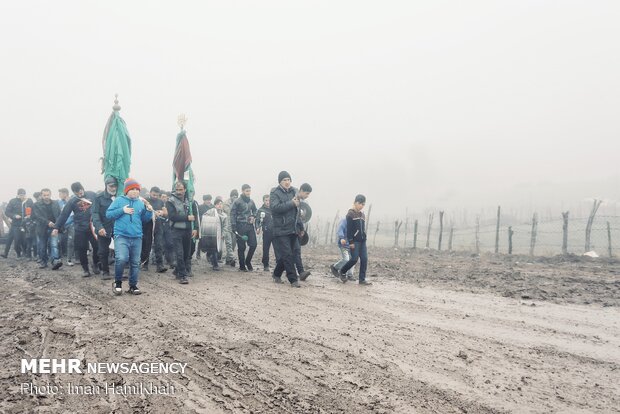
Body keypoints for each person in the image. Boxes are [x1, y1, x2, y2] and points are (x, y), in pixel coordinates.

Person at [106, 178, 153, 295]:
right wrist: (122, 210)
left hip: (137, 236)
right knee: (121, 259)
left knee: (135, 262)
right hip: (121, 235)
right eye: (132, 189)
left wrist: (148, 211)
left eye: (137, 189)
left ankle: (133, 285)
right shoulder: (119, 200)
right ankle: (118, 283)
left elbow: (144, 220)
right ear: (126, 190)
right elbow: (108, 214)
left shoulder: (140, 203)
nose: (135, 192)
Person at [53, 182, 100, 277]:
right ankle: (85, 269)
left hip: (92, 227)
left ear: (83, 188)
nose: (80, 194)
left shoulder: (92, 194)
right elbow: (64, 215)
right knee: (81, 248)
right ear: (74, 193)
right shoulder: (72, 201)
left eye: (81, 192)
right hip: (80, 228)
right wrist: (56, 227)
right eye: (77, 193)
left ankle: (95, 264)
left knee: (97, 246)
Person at [270, 171, 301, 288]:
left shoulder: (294, 191)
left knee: (289, 254)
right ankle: (293, 279)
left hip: (293, 228)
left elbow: (298, 210)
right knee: (287, 254)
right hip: (280, 229)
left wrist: (300, 226)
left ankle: (276, 274)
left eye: (289, 179)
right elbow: (275, 207)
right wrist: (291, 203)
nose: (287, 182)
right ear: (280, 182)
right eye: (284, 180)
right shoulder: (275, 193)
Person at [166, 181, 197, 284]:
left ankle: (177, 270)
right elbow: (172, 216)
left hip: (188, 230)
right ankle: (183, 276)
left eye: (181, 189)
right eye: (177, 189)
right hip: (176, 230)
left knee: (186, 254)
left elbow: (195, 216)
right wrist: (187, 218)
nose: (179, 192)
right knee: (179, 253)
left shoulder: (191, 201)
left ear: (185, 189)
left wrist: (195, 228)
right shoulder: (170, 201)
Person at [338, 194, 371, 285]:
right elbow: (349, 230)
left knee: (364, 259)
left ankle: (362, 279)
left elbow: (362, 228)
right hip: (355, 241)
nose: (361, 206)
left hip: (362, 241)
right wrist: (351, 241)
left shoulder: (362, 215)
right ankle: (342, 271)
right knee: (354, 259)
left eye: (363, 204)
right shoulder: (350, 214)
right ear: (355, 203)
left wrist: (364, 236)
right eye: (360, 203)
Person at [92, 176, 118, 279]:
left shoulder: (120, 197)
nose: (113, 188)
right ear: (106, 186)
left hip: (117, 229)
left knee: (119, 250)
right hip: (104, 228)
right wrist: (99, 227)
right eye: (111, 186)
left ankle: (118, 272)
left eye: (115, 186)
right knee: (103, 251)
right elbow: (95, 214)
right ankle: (105, 271)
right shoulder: (98, 198)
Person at [32, 188, 62, 270]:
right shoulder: (36, 205)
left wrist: (58, 226)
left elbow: (59, 215)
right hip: (42, 228)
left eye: (47, 195)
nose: (46, 197)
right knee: (42, 246)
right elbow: (37, 216)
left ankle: (55, 261)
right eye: (44, 195)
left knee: (54, 245)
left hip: (54, 227)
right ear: (41, 195)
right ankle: (43, 262)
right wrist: (47, 222)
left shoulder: (55, 203)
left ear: (50, 194)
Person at [230, 184, 258, 272]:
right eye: (247, 191)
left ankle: (248, 261)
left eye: (249, 191)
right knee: (241, 247)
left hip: (249, 226)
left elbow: (255, 210)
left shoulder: (251, 201)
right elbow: (232, 214)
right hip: (240, 226)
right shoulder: (237, 202)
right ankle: (242, 266)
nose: (248, 193)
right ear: (242, 191)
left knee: (254, 245)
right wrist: (234, 226)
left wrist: (253, 216)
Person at [140, 186, 168, 273]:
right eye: (153, 195)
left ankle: (160, 265)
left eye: (157, 195)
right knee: (146, 246)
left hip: (158, 227)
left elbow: (166, 212)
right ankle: (145, 264)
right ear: (150, 193)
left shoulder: (161, 202)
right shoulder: (144, 201)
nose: (155, 197)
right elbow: (141, 212)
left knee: (159, 246)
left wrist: (162, 213)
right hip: (147, 227)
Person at [1, 189, 33, 258]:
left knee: (24, 240)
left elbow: (33, 210)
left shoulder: (29, 201)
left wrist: (30, 215)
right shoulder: (13, 201)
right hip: (15, 223)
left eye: (23, 195)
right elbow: (7, 212)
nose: (22, 197)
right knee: (15, 240)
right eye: (20, 195)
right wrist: (14, 216)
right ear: (17, 195)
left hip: (26, 224)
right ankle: (17, 253)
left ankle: (24, 253)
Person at [293, 183, 312, 281]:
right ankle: (277, 273)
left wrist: (301, 229)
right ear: (301, 190)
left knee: (296, 251)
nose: (307, 196)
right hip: (287, 230)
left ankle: (300, 272)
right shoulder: (293, 199)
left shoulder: (301, 202)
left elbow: (299, 218)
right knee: (289, 253)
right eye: (306, 193)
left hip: (295, 230)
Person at [202, 197, 226, 271]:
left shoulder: (224, 215)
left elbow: (225, 226)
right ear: (215, 205)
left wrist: (223, 233)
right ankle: (215, 264)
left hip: (220, 234)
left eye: (221, 204)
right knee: (214, 249)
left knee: (219, 249)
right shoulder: (211, 211)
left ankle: (213, 259)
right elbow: (204, 216)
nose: (219, 205)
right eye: (218, 204)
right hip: (211, 232)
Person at [57, 188, 75, 266]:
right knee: (60, 242)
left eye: (61, 193)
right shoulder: (58, 203)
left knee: (70, 242)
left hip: (71, 224)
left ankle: (69, 259)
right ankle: (59, 258)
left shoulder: (72, 201)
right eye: (59, 193)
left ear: (65, 194)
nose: (59, 195)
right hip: (62, 225)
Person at [255, 194, 273, 272]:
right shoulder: (261, 210)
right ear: (263, 201)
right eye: (266, 200)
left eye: (269, 200)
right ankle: (266, 264)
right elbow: (257, 221)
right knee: (266, 249)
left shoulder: (274, 208)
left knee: (278, 249)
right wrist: (258, 228)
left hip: (276, 232)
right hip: (266, 231)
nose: (268, 202)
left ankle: (280, 264)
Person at [160, 192, 176, 268]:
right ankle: (159, 262)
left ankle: (170, 261)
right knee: (161, 244)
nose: (164, 198)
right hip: (159, 226)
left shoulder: (169, 205)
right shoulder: (158, 204)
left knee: (170, 243)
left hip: (168, 227)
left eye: (165, 197)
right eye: (163, 196)